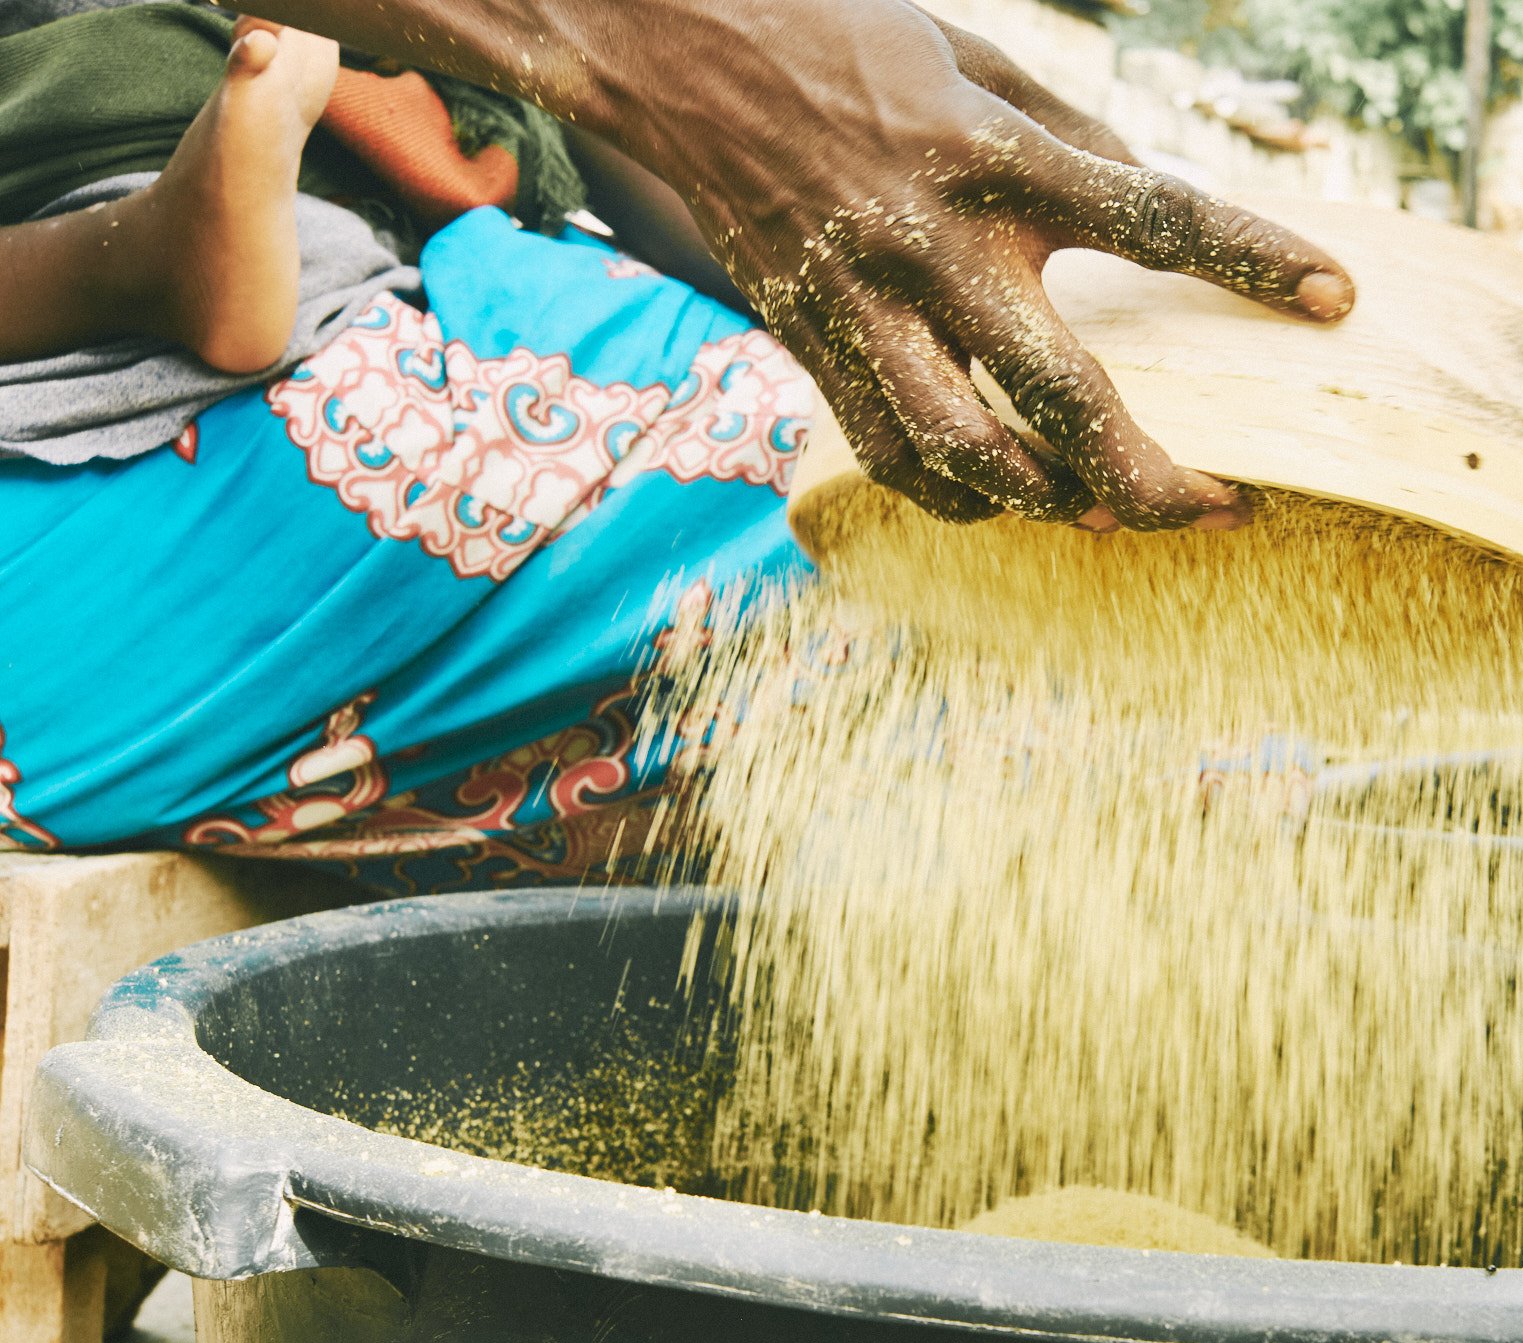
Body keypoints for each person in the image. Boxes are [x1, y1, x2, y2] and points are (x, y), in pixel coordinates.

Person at [0, 0, 1354, 891]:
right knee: (998, 633)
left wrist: (914, 285)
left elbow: (711, 167)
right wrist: (707, 60)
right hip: (105, 523)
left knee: (1058, 576)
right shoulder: (114, 84)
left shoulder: (484, 152)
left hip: (336, 410)